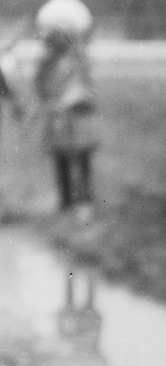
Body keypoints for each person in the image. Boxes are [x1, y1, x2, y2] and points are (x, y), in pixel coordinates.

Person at [33, 0, 99, 218]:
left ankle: (85, 201)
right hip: (58, 118)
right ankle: (65, 201)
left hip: (79, 116)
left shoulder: (80, 60)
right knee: (60, 159)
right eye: (55, 36)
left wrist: (77, 97)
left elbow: (90, 88)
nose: (59, 40)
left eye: (64, 35)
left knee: (82, 159)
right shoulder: (46, 62)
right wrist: (50, 101)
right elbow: (41, 87)